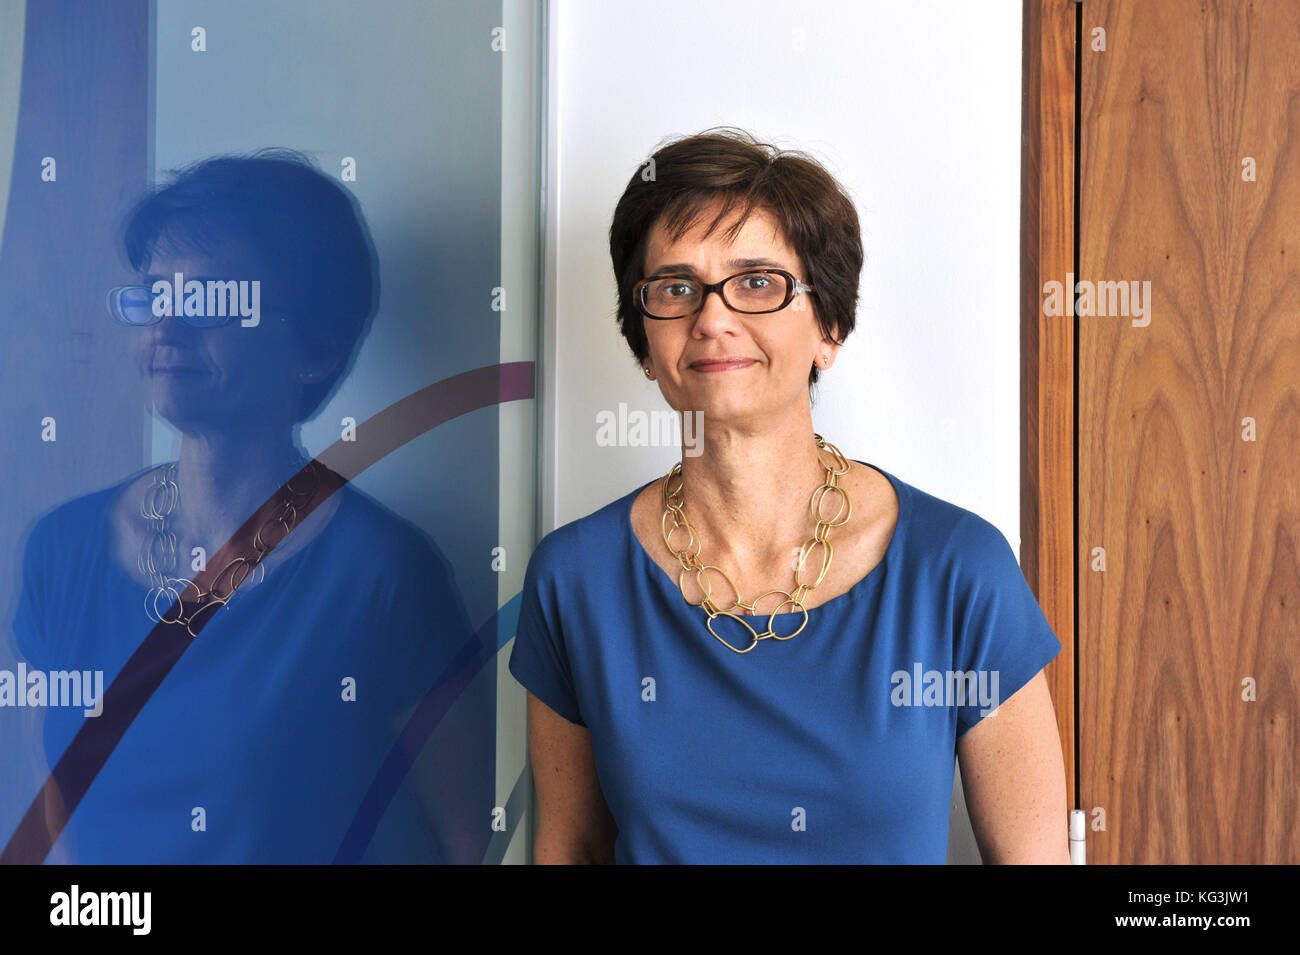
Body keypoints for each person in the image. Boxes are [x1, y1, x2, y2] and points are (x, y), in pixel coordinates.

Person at [508, 127, 1068, 864]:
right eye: (676, 288)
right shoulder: (575, 578)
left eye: (757, 283)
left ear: (829, 327)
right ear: (647, 345)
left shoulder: (958, 570)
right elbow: (571, 848)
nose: (712, 317)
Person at [7, 149, 489, 863]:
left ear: (315, 348)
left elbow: (470, 840)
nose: (167, 331)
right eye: (154, 297)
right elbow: (64, 822)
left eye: (208, 302)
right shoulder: (64, 549)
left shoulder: (381, 574)